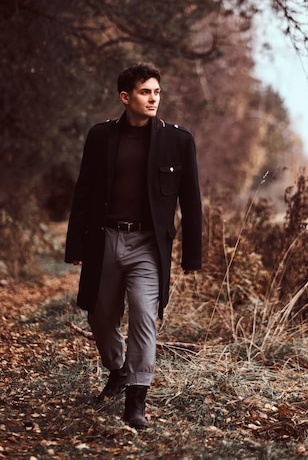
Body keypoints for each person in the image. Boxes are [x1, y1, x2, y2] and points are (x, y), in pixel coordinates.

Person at [65, 62, 202, 429]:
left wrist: (192, 256)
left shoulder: (179, 140)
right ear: (126, 97)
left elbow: (191, 201)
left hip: (148, 246)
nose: (153, 98)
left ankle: (136, 403)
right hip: (105, 239)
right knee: (100, 316)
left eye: (156, 91)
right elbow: (83, 193)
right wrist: (75, 244)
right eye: (145, 92)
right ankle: (119, 368)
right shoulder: (100, 137)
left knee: (144, 314)